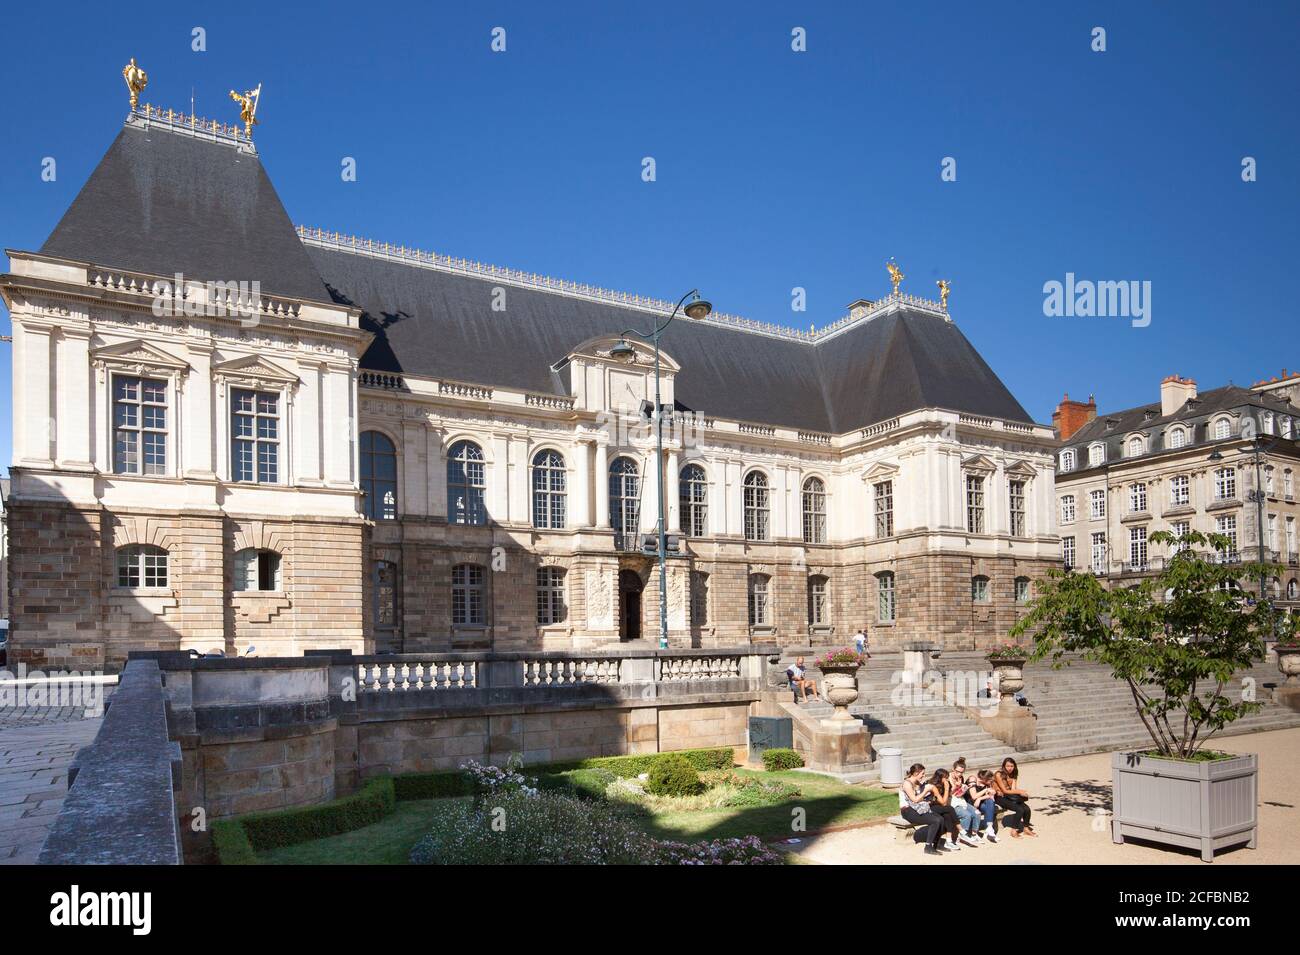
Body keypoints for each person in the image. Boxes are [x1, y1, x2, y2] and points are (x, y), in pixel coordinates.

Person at [899, 763, 948, 855]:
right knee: (935, 820)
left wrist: (931, 793)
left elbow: (922, 797)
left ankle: (936, 844)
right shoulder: (907, 784)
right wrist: (926, 790)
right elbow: (915, 799)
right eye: (922, 773)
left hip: (918, 808)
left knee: (941, 819)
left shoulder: (917, 783)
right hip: (908, 811)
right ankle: (928, 847)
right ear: (916, 773)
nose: (924, 776)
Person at [924, 768, 978, 848]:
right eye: (945, 778)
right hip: (929, 807)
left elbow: (948, 798)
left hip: (940, 806)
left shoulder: (944, 784)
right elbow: (944, 802)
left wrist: (956, 787)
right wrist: (946, 788)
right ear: (940, 777)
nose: (946, 780)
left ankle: (948, 841)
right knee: (949, 809)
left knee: (947, 814)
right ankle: (961, 831)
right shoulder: (932, 784)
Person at [993, 757, 1036, 837]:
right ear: (1004, 766)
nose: (1010, 768)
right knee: (1019, 809)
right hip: (999, 796)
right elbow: (1004, 790)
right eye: (1008, 766)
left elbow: (1013, 789)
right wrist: (1020, 791)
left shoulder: (1014, 773)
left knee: (1027, 809)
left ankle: (1026, 829)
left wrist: (1022, 793)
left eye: (1012, 766)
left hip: (1010, 795)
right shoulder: (998, 774)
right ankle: (1014, 830)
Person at [949, 758, 986, 841]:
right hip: (951, 802)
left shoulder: (960, 778)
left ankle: (974, 833)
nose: (959, 774)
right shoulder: (948, 778)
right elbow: (949, 794)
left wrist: (964, 789)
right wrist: (955, 787)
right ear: (953, 769)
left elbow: (959, 793)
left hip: (960, 800)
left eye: (961, 772)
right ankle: (962, 835)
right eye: (957, 771)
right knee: (967, 815)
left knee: (977, 813)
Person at [968, 769, 1000, 842]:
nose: (991, 782)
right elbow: (973, 796)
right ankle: (990, 831)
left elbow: (992, 794)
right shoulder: (973, 780)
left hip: (980, 804)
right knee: (991, 809)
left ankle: (989, 828)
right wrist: (985, 791)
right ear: (984, 779)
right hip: (970, 804)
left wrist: (980, 798)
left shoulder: (987, 783)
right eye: (989, 780)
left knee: (990, 803)